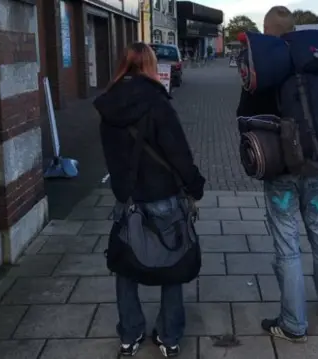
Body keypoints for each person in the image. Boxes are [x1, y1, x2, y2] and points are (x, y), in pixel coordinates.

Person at [236, 6, 318, 343]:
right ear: (294, 30)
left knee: (287, 245)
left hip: (282, 169)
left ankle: (294, 324)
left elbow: (245, 115)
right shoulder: (314, 59)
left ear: (267, 30)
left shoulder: (264, 64)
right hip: (317, 165)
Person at [94, 42, 205, 357]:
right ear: (150, 66)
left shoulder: (107, 104)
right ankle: (169, 337)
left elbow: (113, 156)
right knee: (172, 259)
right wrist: (194, 186)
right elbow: (178, 151)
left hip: (127, 197)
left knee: (126, 264)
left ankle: (130, 334)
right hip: (162, 195)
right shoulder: (157, 102)